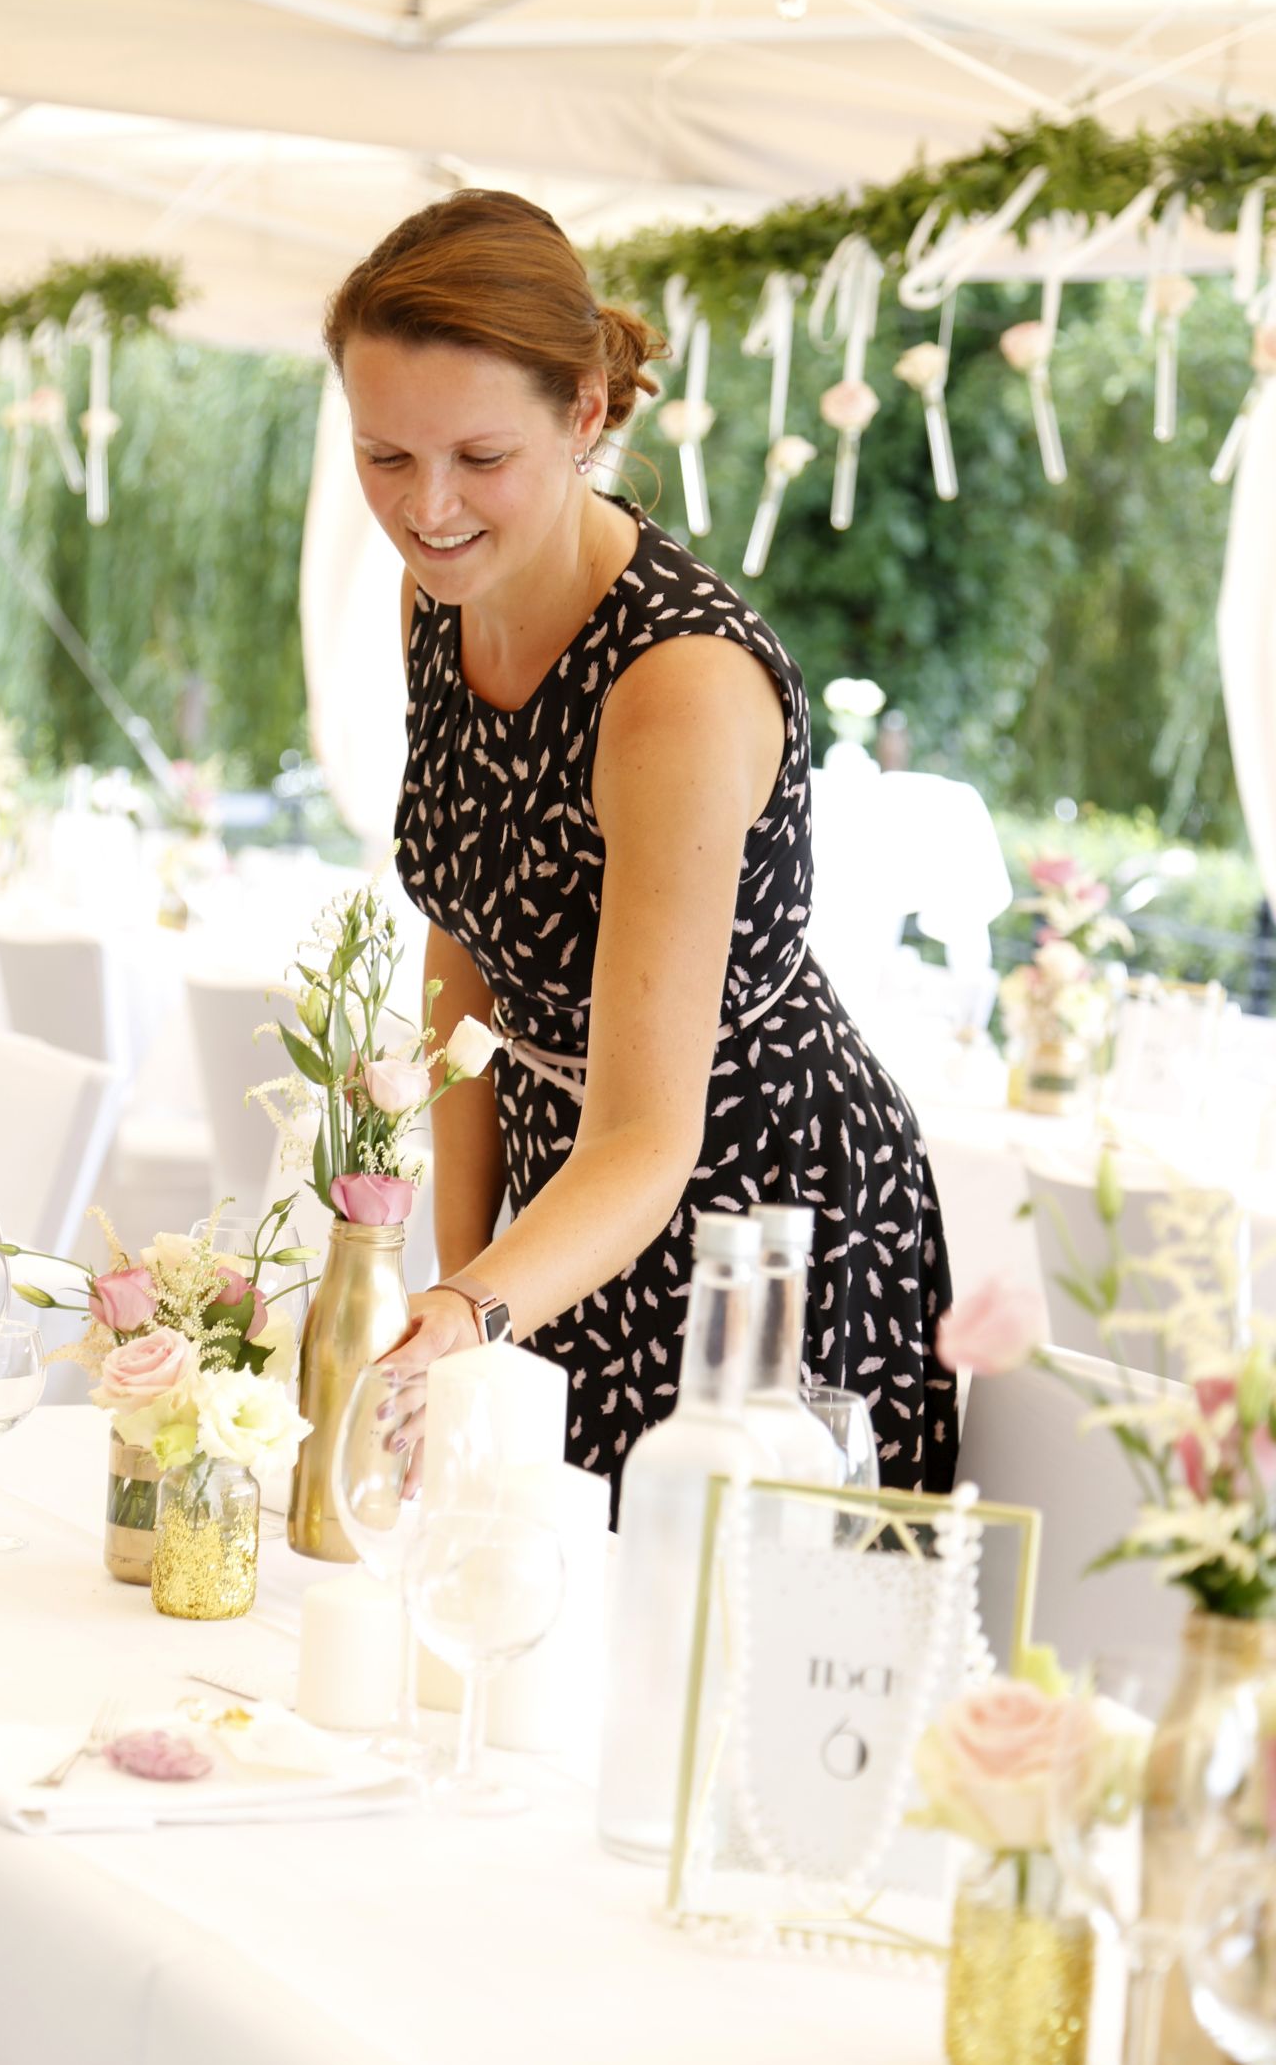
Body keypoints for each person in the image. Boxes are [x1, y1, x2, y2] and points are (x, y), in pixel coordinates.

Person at [323, 189, 957, 1517]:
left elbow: (648, 1135)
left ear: (586, 415)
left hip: (757, 1222)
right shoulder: (436, 596)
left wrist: (475, 1307)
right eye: (386, 456)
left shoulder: (678, 686)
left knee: (681, 1617)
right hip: (570, 1207)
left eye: (479, 457)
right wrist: (465, 1271)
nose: (428, 507)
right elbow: (468, 952)